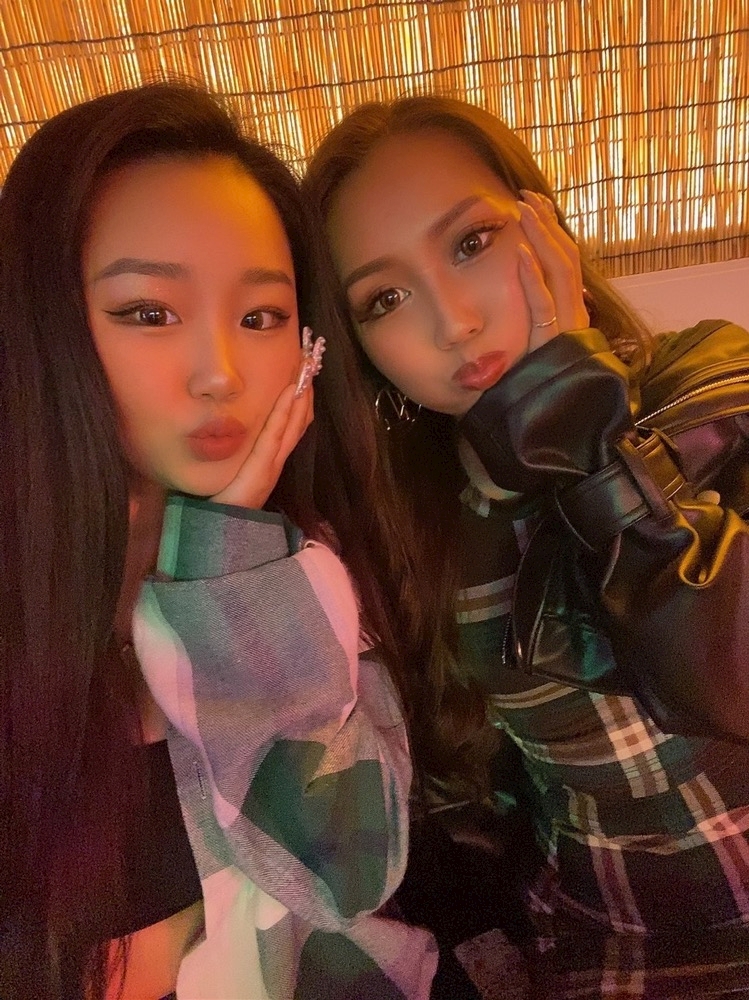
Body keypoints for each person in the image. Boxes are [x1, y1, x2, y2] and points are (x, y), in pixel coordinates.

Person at [0, 82, 450, 1000]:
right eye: (147, 312)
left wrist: (229, 561)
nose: (221, 373)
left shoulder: (304, 577)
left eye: (260, 318)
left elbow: (347, 875)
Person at [304, 94, 749, 998]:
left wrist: (585, 437)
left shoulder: (707, 387)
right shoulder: (411, 533)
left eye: (471, 242)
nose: (453, 320)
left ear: (542, 224)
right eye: (386, 298)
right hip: (616, 957)